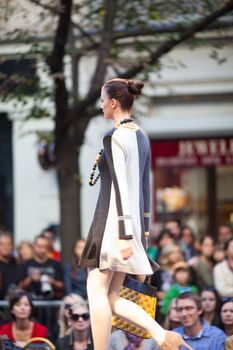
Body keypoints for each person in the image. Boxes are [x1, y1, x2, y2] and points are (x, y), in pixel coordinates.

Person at [79, 78, 191, 350]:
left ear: (114, 102)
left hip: (111, 224)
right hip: (126, 228)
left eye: (103, 100)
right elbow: (144, 186)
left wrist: (127, 236)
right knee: (112, 296)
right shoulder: (140, 135)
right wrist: (143, 232)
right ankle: (163, 335)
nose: (101, 105)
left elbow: (120, 187)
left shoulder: (114, 136)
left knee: (96, 291)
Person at [18, 235, 64, 300]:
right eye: (40, 247)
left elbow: (62, 285)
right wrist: (31, 278)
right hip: (31, 303)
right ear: (34, 246)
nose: (42, 250)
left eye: (45, 247)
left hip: (51, 303)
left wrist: (52, 282)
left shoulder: (55, 264)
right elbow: (20, 286)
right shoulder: (26, 264)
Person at [0, 232, 18, 299]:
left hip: (14, 304)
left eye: (8, 244)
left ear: (12, 246)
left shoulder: (18, 262)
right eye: (2, 244)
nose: (5, 247)